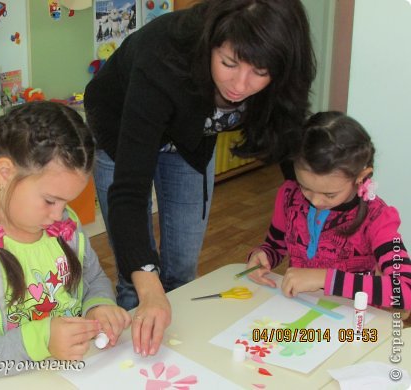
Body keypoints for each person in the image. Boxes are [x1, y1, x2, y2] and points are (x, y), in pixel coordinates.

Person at [84, 0, 316, 356]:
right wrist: (149, 290)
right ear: (211, 43)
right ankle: (129, 350)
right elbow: (128, 193)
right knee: (138, 277)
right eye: (228, 63)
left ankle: (175, 346)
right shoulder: (163, 60)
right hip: (122, 128)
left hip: (189, 141)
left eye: (260, 72)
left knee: (181, 268)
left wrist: (312, 222)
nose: (240, 85)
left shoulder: (282, 76)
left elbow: (290, 152)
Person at [0, 101, 131, 387]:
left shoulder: (62, 226)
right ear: (5, 173)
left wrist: (98, 305)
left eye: (67, 202)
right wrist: (38, 341)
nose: (59, 214)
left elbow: (92, 278)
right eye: (50, 200)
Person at [246, 111, 411, 310]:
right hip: (298, 310)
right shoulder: (289, 195)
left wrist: (325, 278)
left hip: (351, 322)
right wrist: (263, 256)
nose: (315, 200)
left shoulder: (378, 218)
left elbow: (405, 290)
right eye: (305, 187)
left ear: (361, 177)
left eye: (330, 194)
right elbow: (275, 245)